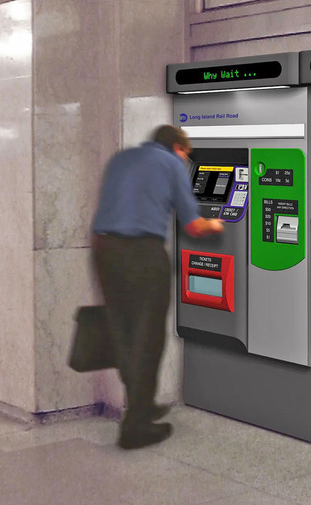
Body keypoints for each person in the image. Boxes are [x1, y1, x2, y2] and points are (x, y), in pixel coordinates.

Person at [91, 125, 224, 450]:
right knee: (148, 337)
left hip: (104, 250)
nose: (186, 160)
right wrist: (218, 223)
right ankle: (135, 427)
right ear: (178, 148)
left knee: (123, 333)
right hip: (142, 254)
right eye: (187, 154)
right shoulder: (172, 163)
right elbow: (193, 226)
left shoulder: (121, 159)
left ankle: (142, 404)